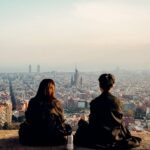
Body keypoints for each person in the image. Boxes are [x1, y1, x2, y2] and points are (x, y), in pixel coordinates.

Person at [74, 73, 141, 149]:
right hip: (114, 135)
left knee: (82, 124)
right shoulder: (117, 101)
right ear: (112, 86)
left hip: (98, 136)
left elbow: (92, 123)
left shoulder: (95, 102)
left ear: (100, 86)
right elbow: (119, 120)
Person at [19, 79, 72, 146]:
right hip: (54, 140)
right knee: (68, 127)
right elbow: (61, 121)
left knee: (23, 127)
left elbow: (29, 120)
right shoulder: (56, 103)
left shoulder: (32, 102)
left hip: (33, 139)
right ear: (53, 89)